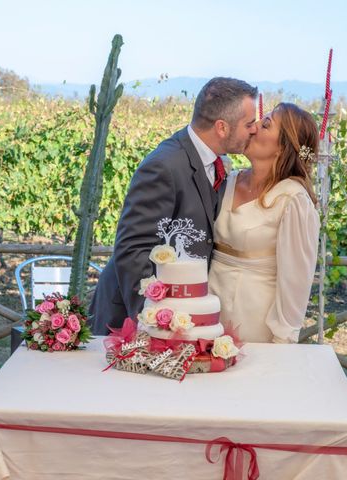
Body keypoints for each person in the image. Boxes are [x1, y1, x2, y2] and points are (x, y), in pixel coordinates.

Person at [89, 78, 258, 335]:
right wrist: (156, 323)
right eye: (248, 124)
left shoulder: (217, 162)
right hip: (132, 318)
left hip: (184, 313)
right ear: (222, 127)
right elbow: (134, 250)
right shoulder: (164, 166)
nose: (254, 130)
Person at [208, 102, 320, 343]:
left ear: (282, 147)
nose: (253, 127)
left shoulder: (293, 200)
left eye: (265, 124)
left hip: (253, 324)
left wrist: (282, 341)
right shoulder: (228, 180)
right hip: (209, 312)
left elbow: (295, 284)